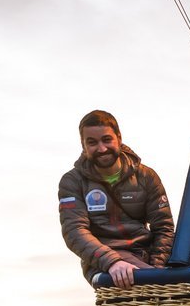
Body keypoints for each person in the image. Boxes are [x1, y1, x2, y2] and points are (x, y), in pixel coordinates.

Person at [58, 109, 174, 287]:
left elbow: (164, 227)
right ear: (83, 145)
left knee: (186, 281)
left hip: (145, 256)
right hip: (102, 261)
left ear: (118, 138)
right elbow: (74, 231)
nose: (102, 149)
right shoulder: (72, 181)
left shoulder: (146, 176)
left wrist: (156, 268)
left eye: (107, 140)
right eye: (92, 142)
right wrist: (111, 261)